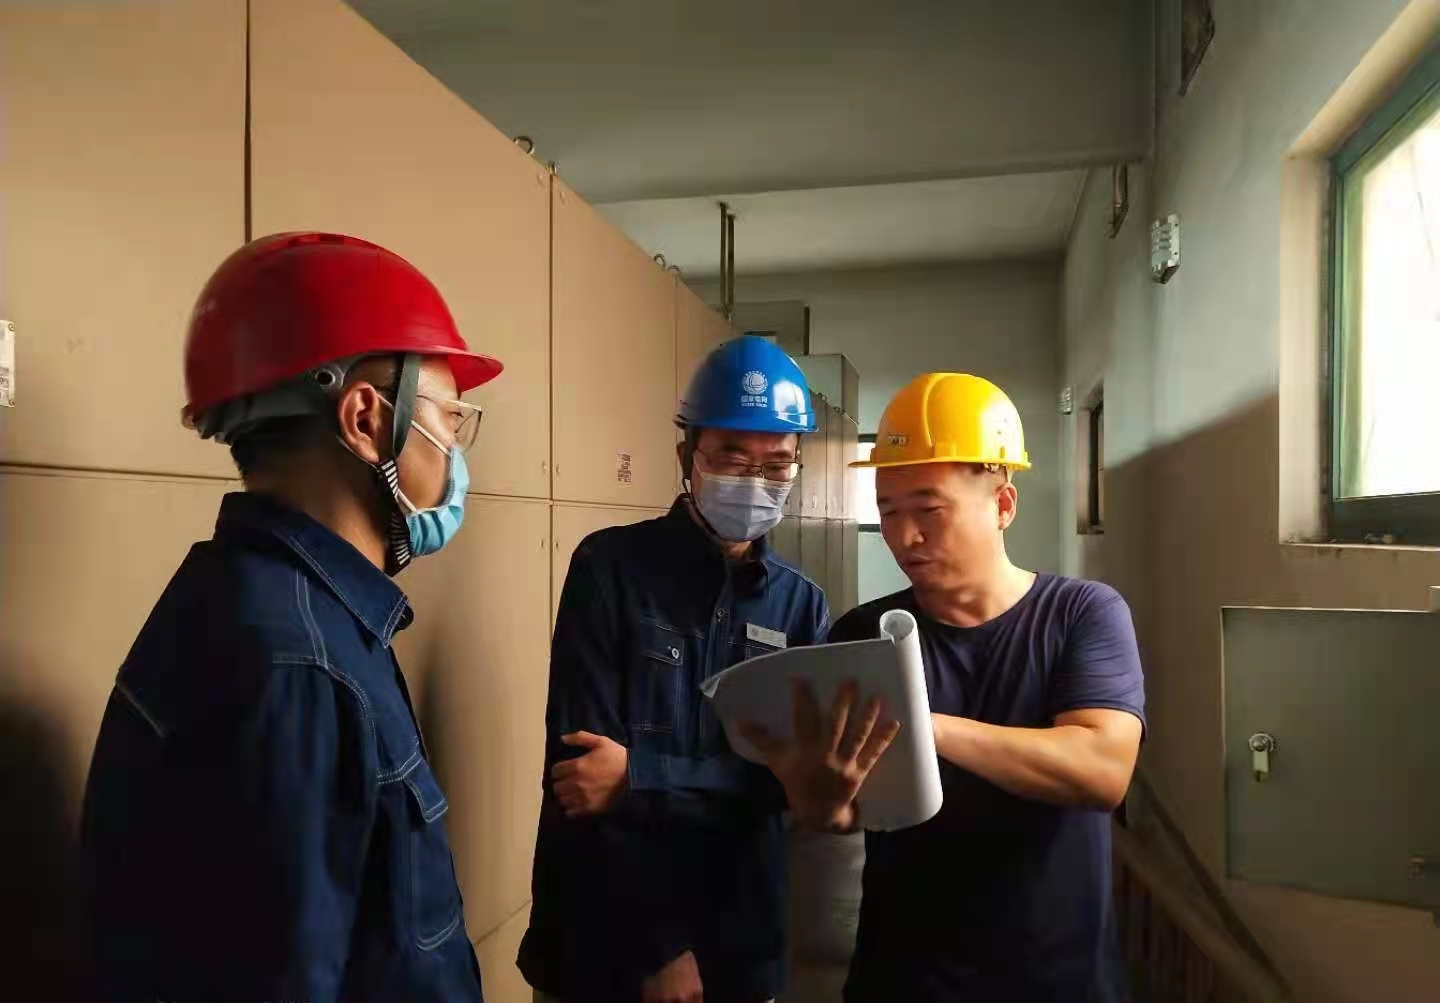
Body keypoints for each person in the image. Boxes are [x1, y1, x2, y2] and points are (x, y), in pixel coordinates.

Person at [79, 232, 501, 1002]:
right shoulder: (298, 666)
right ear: (366, 417)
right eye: (449, 418)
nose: (455, 452)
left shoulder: (263, 603)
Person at [518, 336, 894, 1003]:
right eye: (731, 457)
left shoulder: (800, 605)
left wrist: (639, 775)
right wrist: (657, 947)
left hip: (739, 940)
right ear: (687, 455)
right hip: (605, 941)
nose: (754, 480)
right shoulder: (610, 570)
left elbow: (789, 784)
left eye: (776, 463)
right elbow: (581, 778)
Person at [834, 372, 1146, 1001]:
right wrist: (823, 792)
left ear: (1003, 505)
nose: (904, 536)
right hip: (904, 982)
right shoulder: (862, 634)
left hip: (1056, 981)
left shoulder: (1082, 614)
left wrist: (925, 726)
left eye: (929, 510)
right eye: (888, 512)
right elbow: (839, 810)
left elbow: (1101, 770)